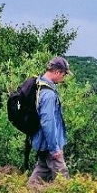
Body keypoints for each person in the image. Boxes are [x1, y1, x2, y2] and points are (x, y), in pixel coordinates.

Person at [28, 56, 71, 185]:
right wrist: (54, 149)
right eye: (63, 75)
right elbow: (48, 122)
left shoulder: (39, 84)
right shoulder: (49, 94)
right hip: (49, 144)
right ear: (57, 72)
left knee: (41, 172)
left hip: (41, 141)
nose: (63, 79)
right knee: (63, 180)